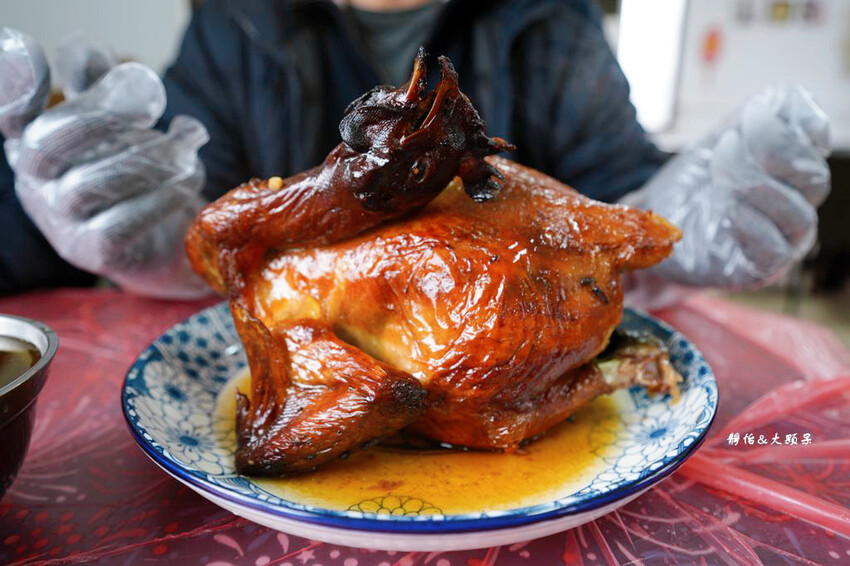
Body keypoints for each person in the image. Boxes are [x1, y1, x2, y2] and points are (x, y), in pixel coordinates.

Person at [0, 0, 831, 298]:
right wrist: (124, 222)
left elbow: (618, 182)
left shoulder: (548, 18)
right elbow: (199, 203)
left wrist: (672, 217)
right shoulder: (236, 21)